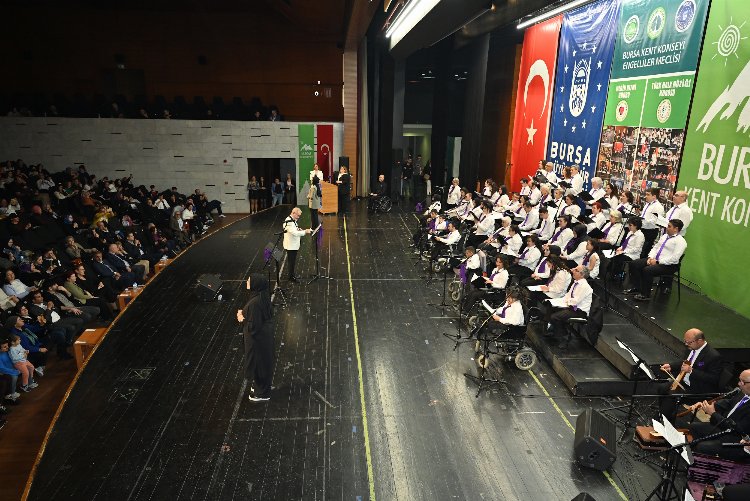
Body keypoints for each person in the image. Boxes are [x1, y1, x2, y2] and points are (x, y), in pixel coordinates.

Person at [657, 328, 724, 422]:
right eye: (685, 341)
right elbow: (685, 362)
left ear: (699, 341)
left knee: (671, 396)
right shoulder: (692, 348)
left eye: (689, 342)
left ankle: (664, 420)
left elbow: (713, 379)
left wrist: (692, 371)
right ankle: (664, 414)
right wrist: (671, 366)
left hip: (698, 389)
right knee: (662, 388)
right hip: (684, 382)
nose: (686, 344)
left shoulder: (713, 356)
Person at [687, 369, 750, 462]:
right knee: (693, 427)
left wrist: (713, 413)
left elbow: (737, 429)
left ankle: (703, 464)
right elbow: (728, 402)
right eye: (739, 380)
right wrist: (707, 405)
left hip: (736, 438)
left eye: (742, 382)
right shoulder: (743, 392)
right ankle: (696, 458)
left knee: (702, 446)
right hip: (724, 428)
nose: (739, 384)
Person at [237, 274, 275, 402]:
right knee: (263, 363)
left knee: (259, 364)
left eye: (249, 280)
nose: (247, 282)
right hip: (264, 338)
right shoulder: (262, 297)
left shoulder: (254, 302)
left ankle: (263, 393)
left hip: (258, 340)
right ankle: (261, 386)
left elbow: (253, 326)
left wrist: (241, 318)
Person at [628, 219, 687, 301]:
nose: (666, 228)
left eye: (669, 226)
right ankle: (637, 287)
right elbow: (655, 247)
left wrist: (658, 262)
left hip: (669, 265)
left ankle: (645, 294)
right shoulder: (664, 236)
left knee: (647, 270)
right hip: (655, 260)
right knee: (634, 264)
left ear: (676, 229)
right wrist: (650, 257)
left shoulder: (681, 242)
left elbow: (674, 258)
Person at [543, 266, 593, 337]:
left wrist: (566, 301)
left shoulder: (584, 286)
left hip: (579, 311)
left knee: (555, 317)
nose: (573, 271)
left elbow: (575, 301)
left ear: (582, 275)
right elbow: (567, 296)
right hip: (572, 307)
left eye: (576, 270)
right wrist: (554, 301)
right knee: (550, 305)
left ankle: (563, 335)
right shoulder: (576, 283)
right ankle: (549, 330)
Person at [283, 207, 311, 283]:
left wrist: (298, 229)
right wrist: (305, 231)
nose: (298, 217)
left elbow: (294, 229)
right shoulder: (289, 222)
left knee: (292, 261)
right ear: (293, 213)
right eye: (298, 215)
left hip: (293, 245)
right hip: (291, 246)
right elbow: (294, 233)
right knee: (291, 262)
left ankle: (292, 275)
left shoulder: (292, 220)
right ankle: (291, 277)